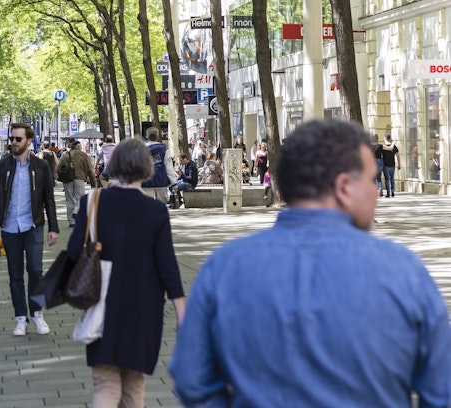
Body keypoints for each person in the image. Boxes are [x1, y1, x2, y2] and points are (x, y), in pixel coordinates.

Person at [169, 119, 451, 406]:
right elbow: (441, 390)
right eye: (370, 180)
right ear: (343, 187)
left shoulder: (224, 269)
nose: (376, 191)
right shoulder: (404, 272)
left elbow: (193, 380)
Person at [70, 139, 185, 407]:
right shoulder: (155, 211)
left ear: (115, 164)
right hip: (144, 308)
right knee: (134, 386)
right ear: (146, 168)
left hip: (101, 304)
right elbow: (167, 265)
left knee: (105, 382)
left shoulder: (92, 202)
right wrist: (181, 311)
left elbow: (75, 252)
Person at [0, 123, 59, 336]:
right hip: (9, 228)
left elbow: (49, 199)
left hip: (33, 225)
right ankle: (20, 317)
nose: (13, 143)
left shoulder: (40, 166)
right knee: (15, 273)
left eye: (18, 139)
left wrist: (53, 227)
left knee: (36, 270)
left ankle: (37, 314)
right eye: (12, 139)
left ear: (29, 141)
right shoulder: (1, 166)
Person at [57, 139, 95, 227]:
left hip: (68, 180)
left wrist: (60, 177)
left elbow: (59, 167)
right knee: (80, 198)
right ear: (79, 146)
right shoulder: (84, 155)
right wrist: (93, 183)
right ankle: (76, 211)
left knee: (69, 199)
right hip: (80, 179)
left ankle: (71, 221)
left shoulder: (65, 155)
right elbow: (90, 170)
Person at [141, 127, 176, 192]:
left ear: (147, 136)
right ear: (157, 136)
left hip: (146, 184)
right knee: (161, 202)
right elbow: (169, 167)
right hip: (161, 183)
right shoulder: (163, 149)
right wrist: (174, 182)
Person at [379, 133, 400, 198]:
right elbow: (398, 156)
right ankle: (392, 190)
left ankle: (388, 193)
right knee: (392, 178)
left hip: (386, 164)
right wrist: (399, 164)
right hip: (392, 164)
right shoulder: (394, 147)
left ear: (385, 138)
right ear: (390, 139)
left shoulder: (383, 147)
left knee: (387, 179)